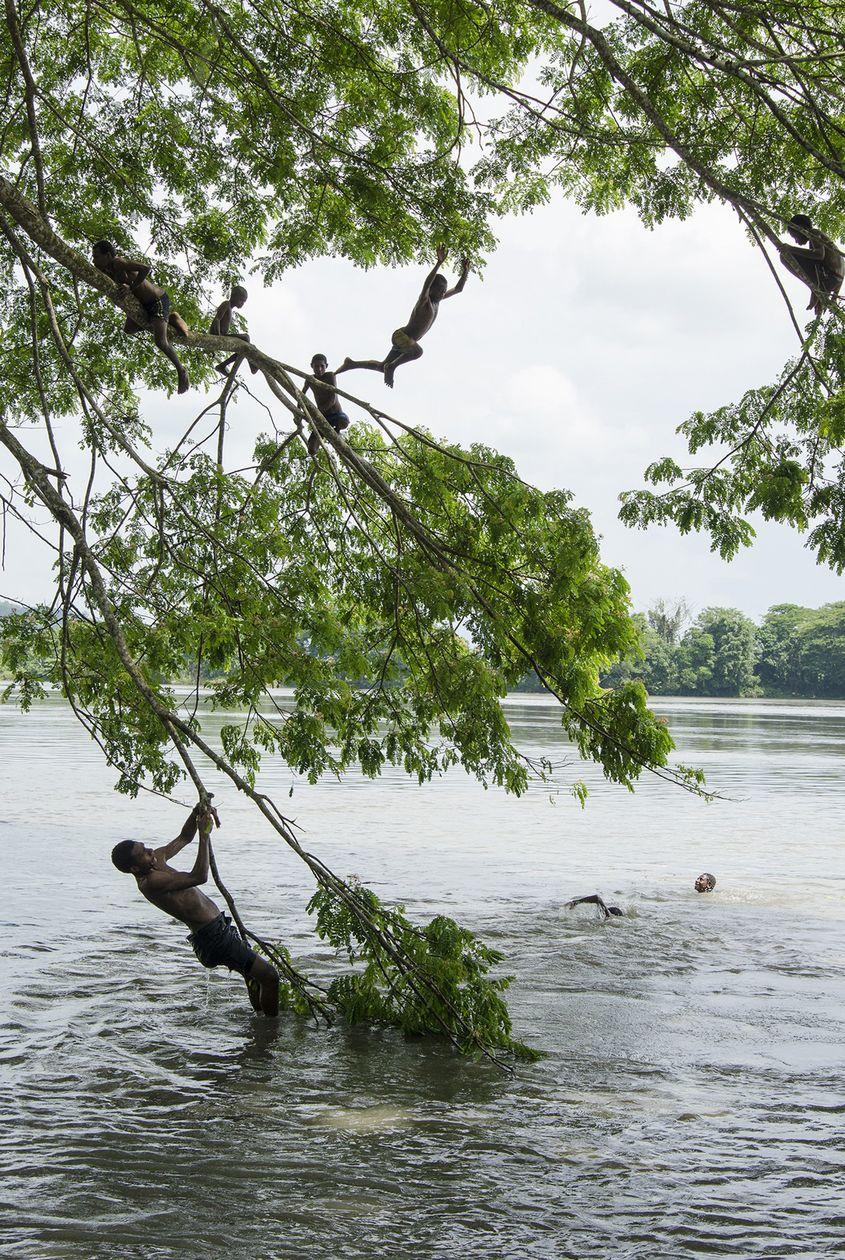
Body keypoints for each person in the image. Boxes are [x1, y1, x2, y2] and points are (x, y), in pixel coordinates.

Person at [110, 801, 279, 1017]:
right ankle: (271, 1031)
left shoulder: (155, 860)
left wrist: (197, 812)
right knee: (270, 976)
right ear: (134, 867)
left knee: (253, 975)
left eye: (146, 847)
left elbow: (184, 838)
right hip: (213, 938)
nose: (151, 851)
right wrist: (205, 835)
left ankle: (260, 1020)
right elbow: (199, 876)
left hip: (218, 930)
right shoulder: (150, 883)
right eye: (144, 852)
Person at [339, 245, 470, 388]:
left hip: (407, 342)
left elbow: (458, 289)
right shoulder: (424, 301)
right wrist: (438, 263)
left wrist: (466, 271)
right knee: (417, 352)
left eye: (444, 291)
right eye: (440, 290)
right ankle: (392, 367)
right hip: (401, 336)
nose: (443, 294)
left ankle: (351, 364)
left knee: (382, 367)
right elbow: (426, 284)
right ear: (431, 290)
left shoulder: (437, 302)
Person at [91, 240, 190, 393]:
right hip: (142, 306)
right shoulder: (106, 271)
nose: (94, 260)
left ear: (108, 255)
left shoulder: (118, 262)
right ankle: (167, 320)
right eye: (93, 257)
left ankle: (181, 370)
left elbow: (146, 268)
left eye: (97, 256)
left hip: (156, 301)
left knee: (160, 341)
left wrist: (130, 287)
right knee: (128, 329)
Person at [778, 214, 844, 316]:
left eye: (795, 236)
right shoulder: (827, 243)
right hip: (834, 281)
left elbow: (819, 255)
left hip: (828, 278)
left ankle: (815, 288)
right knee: (811, 258)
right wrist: (834, 296)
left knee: (784, 256)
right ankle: (817, 290)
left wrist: (790, 249)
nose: (796, 241)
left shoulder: (814, 233)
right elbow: (840, 272)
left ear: (801, 228)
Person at [302, 353, 350, 456]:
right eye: (316, 366)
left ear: (326, 366)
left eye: (322, 366)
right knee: (311, 450)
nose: (319, 369)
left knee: (344, 421)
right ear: (312, 366)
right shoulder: (310, 379)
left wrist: (317, 413)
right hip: (322, 418)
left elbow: (333, 399)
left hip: (336, 415)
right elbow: (301, 395)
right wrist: (299, 413)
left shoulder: (330, 376)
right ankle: (323, 433)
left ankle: (336, 431)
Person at [209, 284, 257, 376]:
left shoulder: (230, 309)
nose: (242, 303)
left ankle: (222, 366)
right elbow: (217, 319)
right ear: (234, 296)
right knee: (246, 337)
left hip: (223, 335)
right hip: (220, 335)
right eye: (241, 300)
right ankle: (252, 364)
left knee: (247, 347)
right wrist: (216, 338)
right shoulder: (226, 304)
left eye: (244, 302)